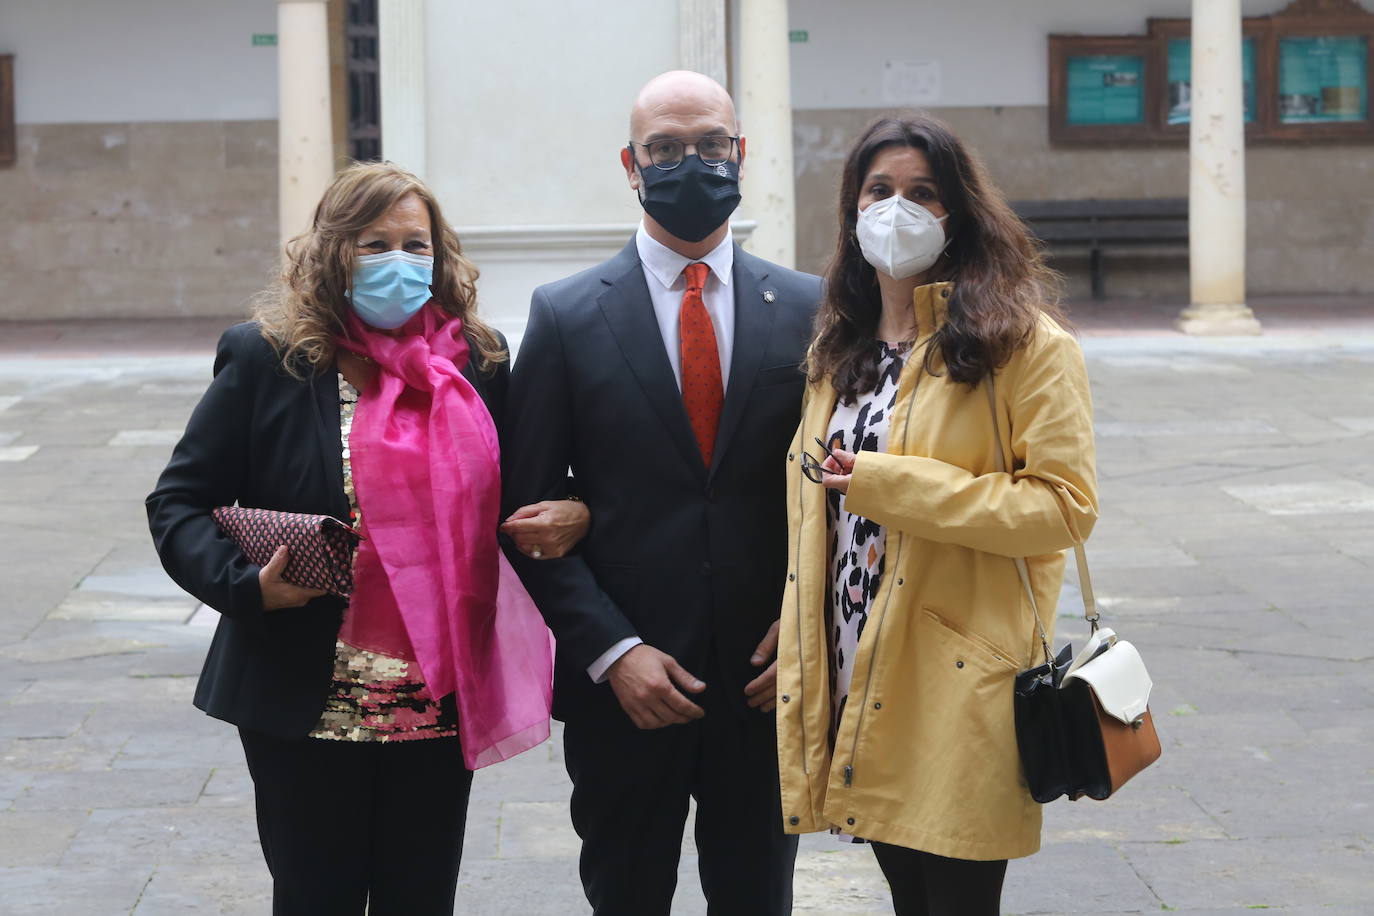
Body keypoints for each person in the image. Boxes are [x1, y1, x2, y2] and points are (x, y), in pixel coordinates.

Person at [145, 161, 587, 915]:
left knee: (421, 899)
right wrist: (248, 586)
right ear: (332, 252)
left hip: (438, 697)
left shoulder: (476, 364)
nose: (401, 262)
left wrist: (573, 510)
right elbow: (179, 502)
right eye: (375, 243)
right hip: (304, 695)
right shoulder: (271, 359)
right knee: (317, 897)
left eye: (417, 245)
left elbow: (527, 487)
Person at [500, 71, 821, 915]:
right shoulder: (566, 315)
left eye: (711, 145)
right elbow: (524, 516)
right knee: (626, 893)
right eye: (666, 149)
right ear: (630, 164)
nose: (692, 163)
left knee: (759, 895)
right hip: (627, 690)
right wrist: (613, 651)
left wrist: (809, 618)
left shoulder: (809, 309)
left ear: (741, 152)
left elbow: (836, 493)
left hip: (762, 675)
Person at [774, 114, 1099, 916]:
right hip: (857, 658)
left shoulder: (1023, 343)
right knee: (905, 891)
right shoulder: (836, 347)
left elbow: (1064, 508)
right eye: (879, 190)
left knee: (954, 896)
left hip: (958, 671)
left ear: (961, 210)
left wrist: (895, 486)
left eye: (924, 193)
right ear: (852, 209)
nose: (897, 209)